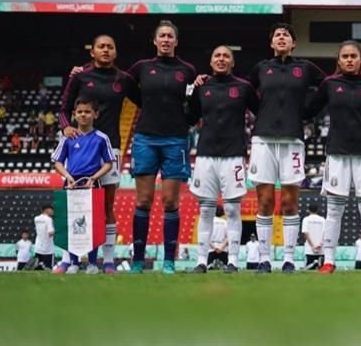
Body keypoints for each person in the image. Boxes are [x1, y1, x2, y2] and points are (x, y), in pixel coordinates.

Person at [245, 24, 326, 274]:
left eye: (286, 35)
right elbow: (246, 93)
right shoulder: (261, 68)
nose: (281, 38)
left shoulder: (305, 68)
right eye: (277, 35)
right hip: (263, 141)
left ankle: (289, 259)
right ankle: (264, 259)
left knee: (290, 203)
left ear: (293, 44)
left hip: (292, 140)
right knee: (265, 202)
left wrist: (306, 113)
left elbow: (328, 88)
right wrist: (263, 114)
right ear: (271, 43)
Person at [60, 34, 140, 273]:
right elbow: (64, 107)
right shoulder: (80, 76)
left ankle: (107, 260)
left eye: (110, 47)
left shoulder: (123, 79)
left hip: (110, 148)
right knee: (74, 204)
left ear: (115, 53)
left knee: (106, 206)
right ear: (92, 52)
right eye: (101, 46)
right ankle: (68, 259)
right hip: (79, 148)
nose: (106, 50)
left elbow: (146, 101)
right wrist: (66, 126)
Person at [305, 41, 361, 274]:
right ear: (338, 61)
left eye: (353, 56)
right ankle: (329, 260)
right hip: (337, 154)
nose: (349, 59)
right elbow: (309, 110)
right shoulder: (329, 84)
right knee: (334, 211)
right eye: (345, 56)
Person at [127, 20, 197, 275]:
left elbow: (194, 102)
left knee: (170, 202)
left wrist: (185, 120)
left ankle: (169, 260)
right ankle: (137, 260)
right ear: (154, 41)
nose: (166, 40)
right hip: (146, 138)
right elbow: (126, 88)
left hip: (176, 140)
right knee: (143, 200)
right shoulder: (142, 68)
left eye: (170, 36)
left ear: (176, 42)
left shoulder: (187, 71)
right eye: (162, 36)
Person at [187, 45, 259, 274]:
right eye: (216, 55)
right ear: (210, 61)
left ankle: (233, 261)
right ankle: (201, 260)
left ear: (232, 62)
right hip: (205, 155)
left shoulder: (244, 87)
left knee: (232, 209)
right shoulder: (202, 87)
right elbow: (189, 117)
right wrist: (189, 91)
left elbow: (261, 112)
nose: (221, 59)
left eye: (226, 56)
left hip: (233, 155)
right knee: (206, 210)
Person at [51, 98, 114, 275]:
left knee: (92, 223)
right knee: (72, 223)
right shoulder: (68, 138)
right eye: (79, 112)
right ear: (74, 115)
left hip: (91, 183)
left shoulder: (102, 138)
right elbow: (57, 162)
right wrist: (68, 177)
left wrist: (94, 177)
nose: (83, 115)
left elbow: (109, 163)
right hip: (71, 184)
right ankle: (73, 263)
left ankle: (93, 263)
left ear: (95, 114)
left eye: (87, 112)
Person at [301, 203, 325, 270]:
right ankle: (317, 263)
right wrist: (320, 244)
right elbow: (325, 233)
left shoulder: (306, 219)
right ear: (318, 210)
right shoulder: (322, 220)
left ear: (308, 210)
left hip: (309, 249)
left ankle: (314, 264)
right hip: (321, 248)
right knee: (321, 270)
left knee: (309, 269)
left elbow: (306, 233)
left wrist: (312, 246)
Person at [33, 204, 55, 270]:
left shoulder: (36, 218)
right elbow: (50, 233)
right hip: (48, 248)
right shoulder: (48, 219)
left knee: (38, 267)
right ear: (47, 210)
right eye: (52, 209)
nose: (53, 211)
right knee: (48, 268)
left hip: (38, 246)